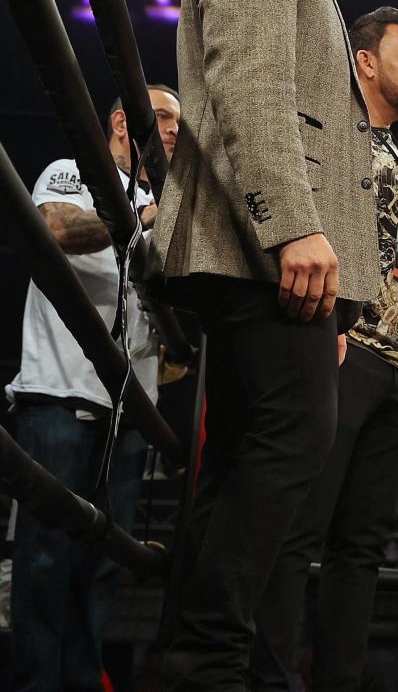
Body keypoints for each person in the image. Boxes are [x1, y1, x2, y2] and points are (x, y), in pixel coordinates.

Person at [149, 0, 380, 690]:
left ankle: (193, 661)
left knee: (254, 452)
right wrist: (295, 230)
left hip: (267, 255)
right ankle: (205, 662)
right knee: (285, 449)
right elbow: (250, 92)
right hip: (264, 250)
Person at [249, 6, 398, 689]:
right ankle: (269, 679)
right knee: (298, 531)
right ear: (366, 62)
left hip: (390, 366)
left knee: (360, 548)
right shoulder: (328, 133)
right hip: (337, 350)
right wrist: (319, 332)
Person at [8, 84, 180, 692]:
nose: (170, 131)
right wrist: (138, 218)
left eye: (176, 124)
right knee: (45, 557)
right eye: (159, 117)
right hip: (59, 391)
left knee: (103, 566)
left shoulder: (170, 200)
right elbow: (52, 228)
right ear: (118, 123)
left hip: (131, 410)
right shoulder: (70, 172)